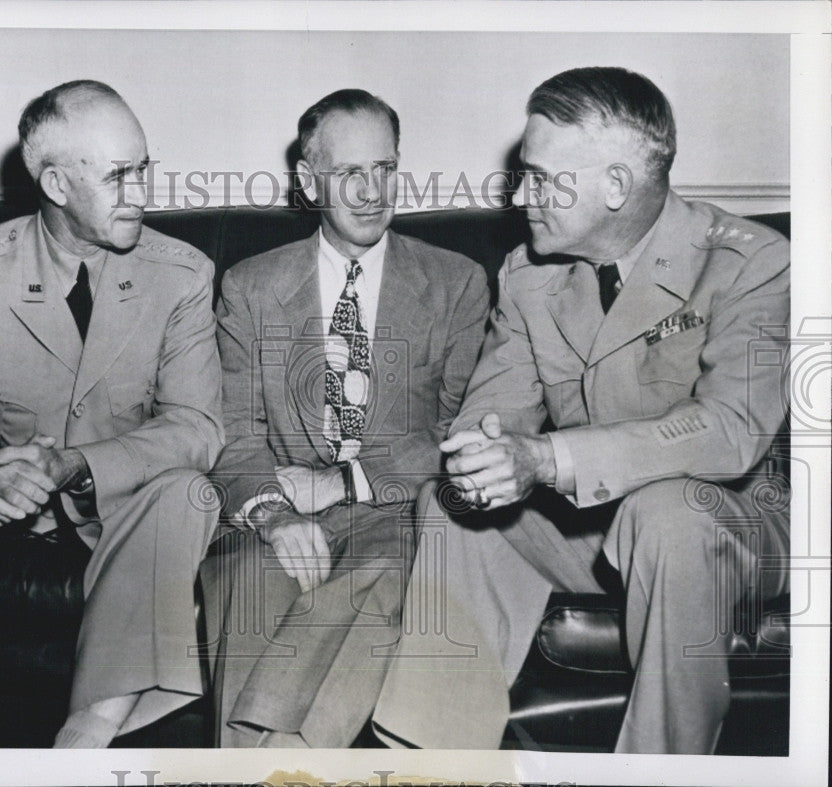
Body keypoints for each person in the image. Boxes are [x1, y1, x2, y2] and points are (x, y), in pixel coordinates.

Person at [373, 67, 790, 754]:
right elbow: (493, 416)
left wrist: (544, 458)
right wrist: (489, 457)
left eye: (540, 177)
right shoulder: (530, 275)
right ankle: (429, 755)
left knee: (669, 516)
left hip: (734, 523)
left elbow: (729, 432)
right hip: (597, 526)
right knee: (458, 500)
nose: (519, 194)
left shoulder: (751, 263)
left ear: (616, 187)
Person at [0, 80, 223, 748]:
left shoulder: (182, 275)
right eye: (119, 176)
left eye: (144, 169)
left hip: (119, 512)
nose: (143, 192)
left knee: (188, 491)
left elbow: (197, 426)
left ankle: (87, 735)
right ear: (56, 184)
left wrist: (77, 465)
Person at [202, 88, 490, 747]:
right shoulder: (249, 286)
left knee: (382, 579)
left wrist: (346, 482)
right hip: (278, 506)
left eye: (385, 170)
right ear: (309, 181)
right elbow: (232, 435)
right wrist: (273, 514)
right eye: (348, 173)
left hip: (394, 510)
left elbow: (463, 432)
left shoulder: (457, 282)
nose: (371, 192)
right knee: (248, 590)